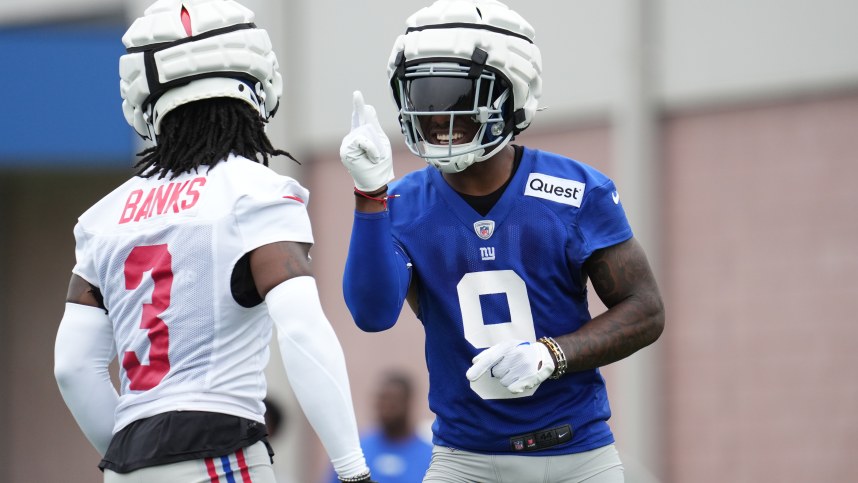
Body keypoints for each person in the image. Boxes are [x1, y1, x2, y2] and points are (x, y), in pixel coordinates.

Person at [338, 1, 665, 482]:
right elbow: (372, 315)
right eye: (421, 94)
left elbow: (645, 310)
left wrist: (552, 354)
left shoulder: (576, 191)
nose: (434, 114)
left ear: (514, 95)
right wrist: (368, 196)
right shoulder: (401, 201)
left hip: (578, 456)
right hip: (463, 461)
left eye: (455, 94)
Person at [53, 1, 375, 482]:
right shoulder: (256, 191)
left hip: (127, 462)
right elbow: (303, 331)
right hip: (218, 449)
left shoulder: (103, 217)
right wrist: (352, 468)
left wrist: (138, 456)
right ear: (257, 82)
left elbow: (73, 369)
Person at [327, 372, 433, 483]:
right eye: (382, 400)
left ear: (408, 402)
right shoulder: (356, 452)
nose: (385, 408)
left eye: (392, 401)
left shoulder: (430, 458)